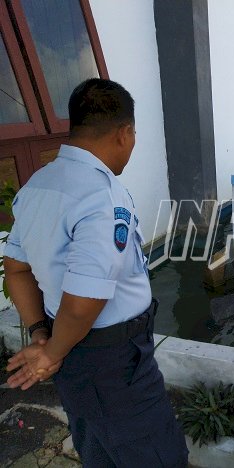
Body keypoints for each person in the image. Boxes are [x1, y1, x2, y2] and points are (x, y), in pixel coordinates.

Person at [4, 78, 188, 467]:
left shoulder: (38, 185)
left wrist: (43, 335)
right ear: (124, 133)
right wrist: (49, 354)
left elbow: (16, 268)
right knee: (158, 455)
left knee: (97, 447)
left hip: (72, 352)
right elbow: (83, 303)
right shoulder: (102, 197)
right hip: (114, 362)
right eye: (134, 135)